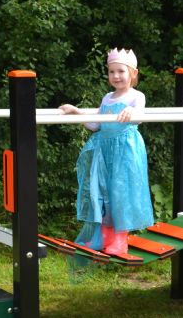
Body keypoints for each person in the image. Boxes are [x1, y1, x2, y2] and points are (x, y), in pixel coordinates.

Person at [59, 48, 154, 256]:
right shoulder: (107, 98)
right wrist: (76, 112)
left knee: (121, 193)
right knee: (103, 193)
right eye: (112, 72)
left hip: (126, 151)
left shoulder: (136, 96)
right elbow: (95, 125)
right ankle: (103, 236)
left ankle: (120, 240)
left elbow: (139, 116)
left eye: (121, 71)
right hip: (105, 151)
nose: (116, 76)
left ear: (133, 73)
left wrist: (132, 111)